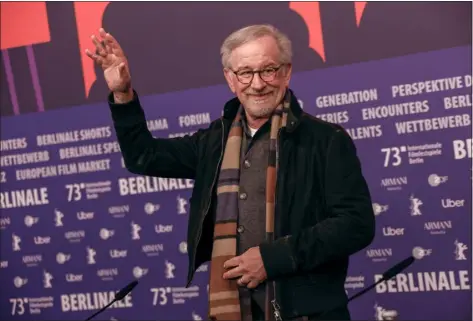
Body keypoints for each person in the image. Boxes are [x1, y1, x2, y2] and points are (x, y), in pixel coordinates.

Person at [86, 24, 375, 321]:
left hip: (309, 313)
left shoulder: (326, 140)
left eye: (268, 70)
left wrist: (273, 258)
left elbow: (355, 224)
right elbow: (143, 157)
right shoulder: (215, 141)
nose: (258, 83)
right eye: (245, 73)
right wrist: (122, 94)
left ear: (286, 72)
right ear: (230, 79)